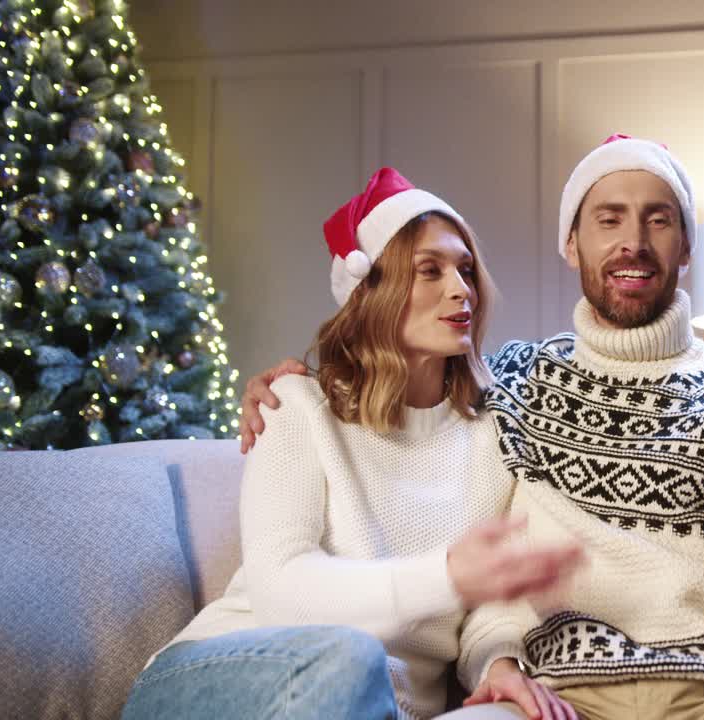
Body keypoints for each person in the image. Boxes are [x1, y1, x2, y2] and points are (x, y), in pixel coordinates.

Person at [242, 136, 704, 719]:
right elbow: (486, 578)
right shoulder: (513, 385)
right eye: (608, 219)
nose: (635, 241)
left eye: (659, 218)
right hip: (558, 694)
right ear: (571, 244)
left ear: (686, 248)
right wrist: (293, 385)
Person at [122, 168, 581, 720]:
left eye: (465, 269)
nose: (461, 289)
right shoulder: (295, 406)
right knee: (350, 657)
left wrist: (497, 665)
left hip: (374, 705)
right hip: (213, 678)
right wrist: (449, 575)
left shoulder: (492, 435)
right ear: (372, 291)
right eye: (428, 272)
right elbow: (281, 592)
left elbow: (486, 605)